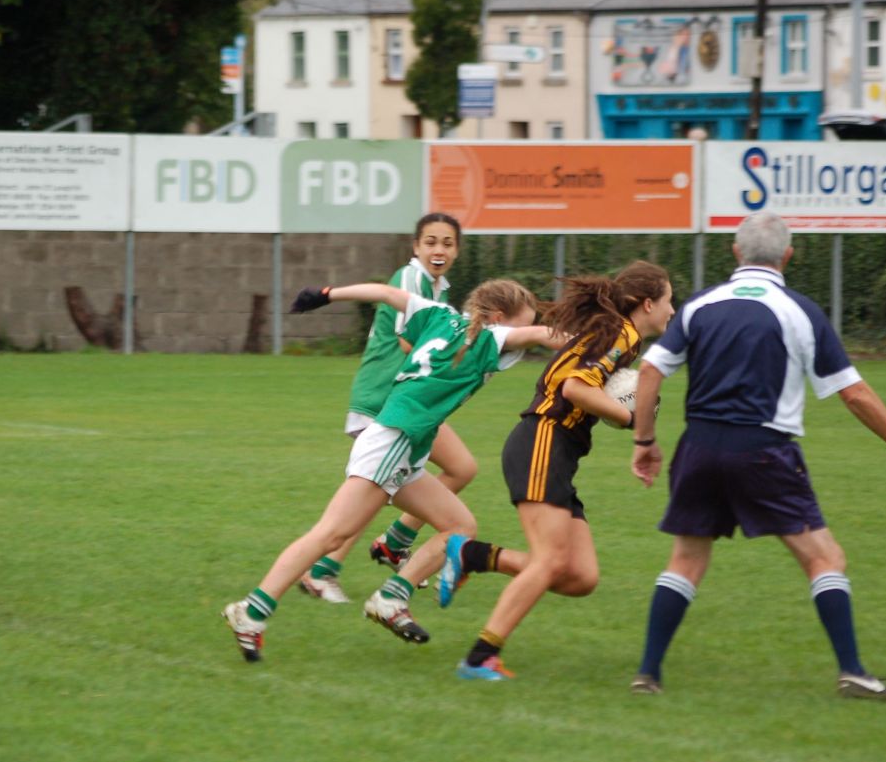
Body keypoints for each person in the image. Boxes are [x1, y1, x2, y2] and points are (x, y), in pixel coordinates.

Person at [628, 212, 886, 701]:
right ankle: (854, 673)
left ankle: (647, 674)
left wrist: (645, 443)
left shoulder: (700, 307)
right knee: (824, 557)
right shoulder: (799, 311)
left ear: (736, 252)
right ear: (788, 255)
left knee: (687, 559)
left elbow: (649, 373)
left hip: (699, 449)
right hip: (764, 451)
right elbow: (854, 394)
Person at [223, 278, 570, 663]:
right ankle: (251, 613)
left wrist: (324, 294)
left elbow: (386, 294)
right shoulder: (490, 337)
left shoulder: (439, 315)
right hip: (394, 441)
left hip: (405, 445)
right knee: (330, 534)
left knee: (460, 528)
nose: (520, 335)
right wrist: (605, 348)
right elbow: (545, 335)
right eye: (517, 325)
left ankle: (390, 599)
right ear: (498, 317)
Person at [439, 263, 676, 681]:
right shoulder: (623, 333)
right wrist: (628, 417)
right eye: (669, 300)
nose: (673, 311)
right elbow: (575, 389)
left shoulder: (619, 333)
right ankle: (479, 658)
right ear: (648, 303)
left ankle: (471, 554)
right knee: (549, 561)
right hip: (542, 442)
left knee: (580, 577)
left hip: (557, 452)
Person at [300, 213, 475, 604]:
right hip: (385, 398)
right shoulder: (412, 279)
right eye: (430, 242)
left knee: (461, 468)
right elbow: (407, 344)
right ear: (415, 247)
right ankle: (322, 572)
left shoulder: (436, 287)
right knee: (372, 492)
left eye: (447, 243)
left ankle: (394, 543)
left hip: (408, 402)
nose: (439, 250)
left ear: (457, 250)